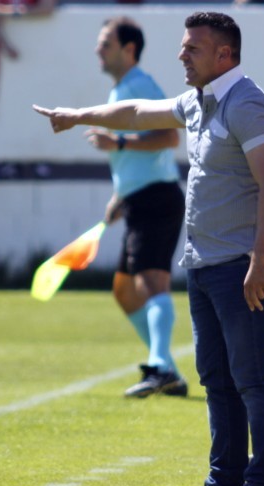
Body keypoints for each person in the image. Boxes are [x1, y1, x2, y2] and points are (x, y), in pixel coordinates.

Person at [34, 11, 264, 486]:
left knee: (254, 379)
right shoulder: (197, 101)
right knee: (216, 379)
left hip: (241, 265)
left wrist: (260, 259)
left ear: (225, 55)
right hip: (204, 264)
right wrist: (78, 115)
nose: (181, 55)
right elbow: (135, 112)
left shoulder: (247, 103)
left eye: (193, 48)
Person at [87, 16, 187, 399]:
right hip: (138, 197)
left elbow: (169, 136)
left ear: (129, 50)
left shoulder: (139, 85)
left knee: (151, 283)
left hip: (156, 197)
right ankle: (168, 369)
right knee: (125, 291)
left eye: (106, 43)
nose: (98, 49)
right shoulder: (121, 89)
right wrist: (120, 197)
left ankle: (160, 368)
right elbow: (136, 153)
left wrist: (118, 143)